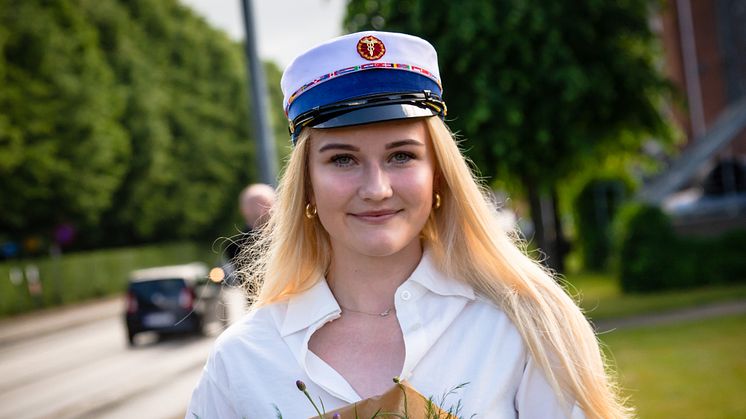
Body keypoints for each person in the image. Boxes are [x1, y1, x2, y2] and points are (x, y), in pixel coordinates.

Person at [187, 31, 630, 418]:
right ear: (306, 185)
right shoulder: (242, 360)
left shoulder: (527, 324)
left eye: (401, 155)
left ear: (438, 172)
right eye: (343, 159)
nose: (377, 188)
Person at [222, 183, 275, 281]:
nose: (261, 209)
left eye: (265, 203)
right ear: (243, 209)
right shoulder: (234, 246)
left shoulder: (290, 237)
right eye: (256, 204)